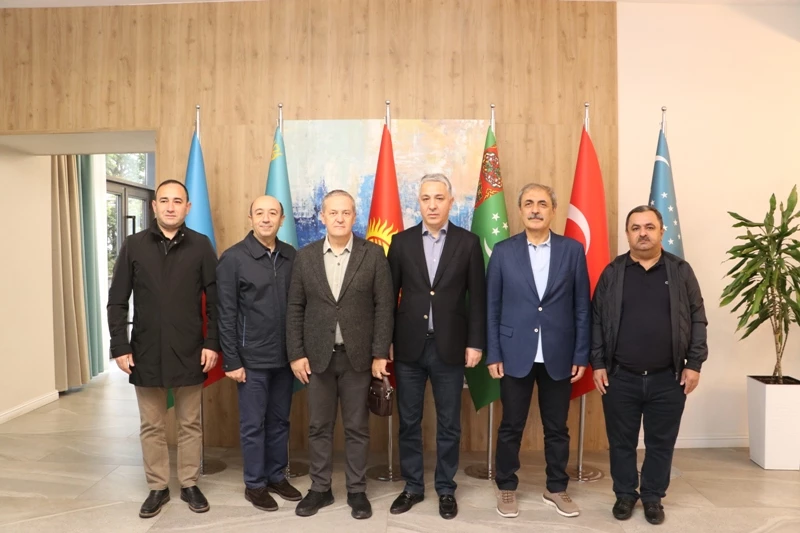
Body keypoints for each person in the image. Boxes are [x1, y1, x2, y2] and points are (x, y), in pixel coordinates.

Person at [107, 179, 219, 518]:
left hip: (190, 350)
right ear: (154, 206)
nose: (171, 207)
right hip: (145, 351)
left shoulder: (201, 246)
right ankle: (157, 487)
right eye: (164, 201)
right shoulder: (134, 245)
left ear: (188, 207)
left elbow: (217, 302)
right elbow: (117, 301)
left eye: (177, 201)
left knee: (190, 424)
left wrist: (212, 343)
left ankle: (189, 483)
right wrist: (120, 346)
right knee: (151, 425)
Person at [591, 205, 708, 526]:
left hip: (668, 378)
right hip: (620, 377)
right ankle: (625, 494)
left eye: (649, 227)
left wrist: (694, 363)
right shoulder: (613, 272)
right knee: (621, 443)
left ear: (661, 231)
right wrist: (598, 363)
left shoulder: (681, 271)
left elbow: (698, 318)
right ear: (627, 234)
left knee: (661, 443)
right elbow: (596, 320)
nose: (642, 233)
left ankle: (653, 496)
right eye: (635, 228)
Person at [286, 189, 394, 520]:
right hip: (317, 358)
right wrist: (296, 354)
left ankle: (357, 490)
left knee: (357, 427)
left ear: (354, 216)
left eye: (346, 212)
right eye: (333, 212)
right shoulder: (305, 257)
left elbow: (384, 307)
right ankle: (320, 488)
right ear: (322, 217)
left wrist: (380, 353)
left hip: (358, 358)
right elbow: (295, 307)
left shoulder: (372, 255)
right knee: (319, 426)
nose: (339, 218)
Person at [384, 173, 486, 520]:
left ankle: (445, 488)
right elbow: (388, 298)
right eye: (426, 198)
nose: (432, 205)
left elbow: (478, 299)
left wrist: (475, 343)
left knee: (449, 424)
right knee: (409, 422)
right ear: (418, 203)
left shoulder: (468, 243)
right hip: (408, 348)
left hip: (450, 347)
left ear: (450, 202)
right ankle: (413, 486)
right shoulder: (401, 242)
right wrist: (386, 343)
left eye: (439, 198)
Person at [486, 183, 590, 519]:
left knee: (557, 427)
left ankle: (556, 488)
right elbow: (492, 307)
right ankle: (506, 485)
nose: (535, 209)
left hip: (559, 353)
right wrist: (493, 353)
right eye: (529, 203)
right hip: (514, 352)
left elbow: (582, 307)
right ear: (520, 210)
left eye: (542, 203)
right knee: (511, 426)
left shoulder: (572, 251)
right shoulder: (503, 251)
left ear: (553, 210)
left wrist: (581, 354)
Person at [216, 195, 302, 511]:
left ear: (282, 220)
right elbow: (225, 313)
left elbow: (300, 307)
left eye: (273, 213)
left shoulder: (291, 256)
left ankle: (276, 476)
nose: (266, 218)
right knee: (254, 425)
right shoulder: (233, 258)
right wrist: (232, 360)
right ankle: (254, 484)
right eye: (260, 213)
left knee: (280, 421)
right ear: (250, 218)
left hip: (285, 358)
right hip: (250, 360)